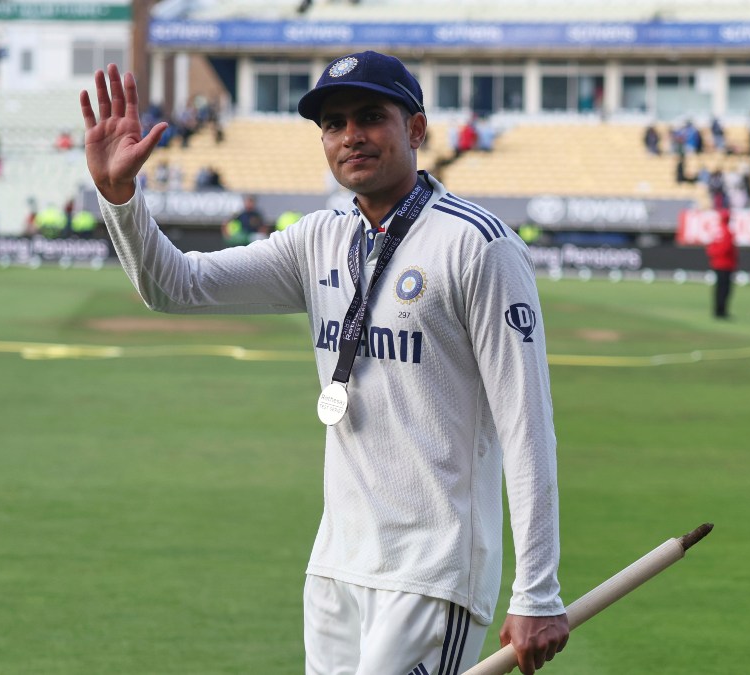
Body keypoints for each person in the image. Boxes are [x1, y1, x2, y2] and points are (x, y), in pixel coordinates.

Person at [80, 54, 568, 675]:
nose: (350, 136)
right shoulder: (320, 238)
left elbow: (528, 424)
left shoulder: (477, 245)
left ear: (415, 129)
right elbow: (177, 286)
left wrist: (538, 590)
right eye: (333, 124)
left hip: (430, 574)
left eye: (370, 117)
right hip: (336, 568)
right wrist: (119, 195)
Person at [706, 210, 738, 319]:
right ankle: (721, 311)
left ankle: (717, 310)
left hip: (717, 264)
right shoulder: (727, 232)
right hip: (726, 264)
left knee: (718, 288)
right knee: (725, 289)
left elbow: (710, 248)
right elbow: (727, 249)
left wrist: (715, 256)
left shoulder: (717, 232)